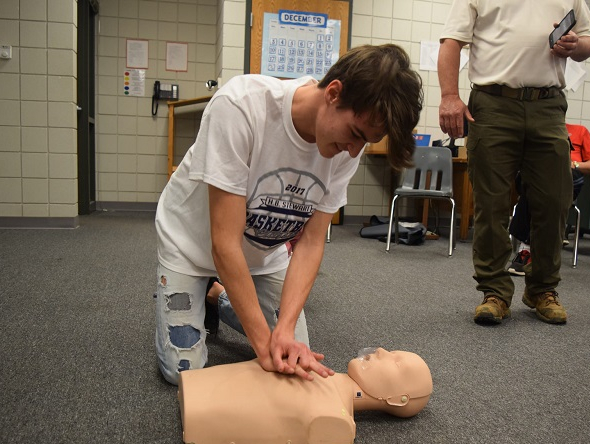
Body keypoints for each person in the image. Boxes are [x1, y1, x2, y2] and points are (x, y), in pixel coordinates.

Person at [155, 44, 424, 385]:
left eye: (366, 142)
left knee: (293, 352)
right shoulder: (241, 106)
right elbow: (224, 243)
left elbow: (311, 244)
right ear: (334, 92)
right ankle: (198, 287)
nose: (355, 151)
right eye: (356, 134)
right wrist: (261, 343)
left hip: (264, 252)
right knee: (184, 374)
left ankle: (216, 295)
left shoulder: (347, 147)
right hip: (190, 244)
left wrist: (283, 330)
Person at [438, 1, 590, 325]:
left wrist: (575, 45)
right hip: (493, 104)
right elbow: (451, 41)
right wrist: (449, 96)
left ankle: (542, 289)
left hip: (548, 106)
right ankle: (494, 291)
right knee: (491, 202)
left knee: (555, 200)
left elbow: (589, 40)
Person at [178, 347, 433, 444]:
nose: (380, 351)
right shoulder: (318, 372)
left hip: (199, 410)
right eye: (392, 350)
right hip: (197, 387)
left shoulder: (335, 419)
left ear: (398, 399)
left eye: (396, 363)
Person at [508, 123, 590, 275]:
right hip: (537, 174)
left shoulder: (580, 131)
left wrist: (573, 164)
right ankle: (553, 232)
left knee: (536, 191)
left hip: (569, 174)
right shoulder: (538, 128)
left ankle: (525, 251)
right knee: (533, 185)